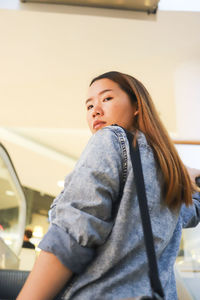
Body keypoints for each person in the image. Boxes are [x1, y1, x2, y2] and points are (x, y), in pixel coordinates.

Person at [17, 71, 200, 300]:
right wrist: (187, 178)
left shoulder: (110, 139)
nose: (95, 109)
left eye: (106, 98)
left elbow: (73, 233)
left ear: (136, 105)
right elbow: (190, 213)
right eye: (89, 105)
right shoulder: (165, 169)